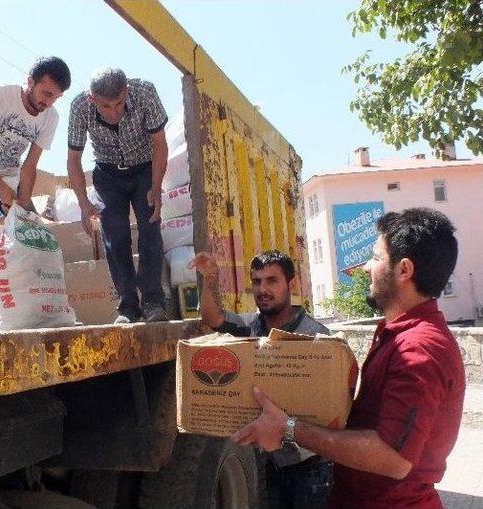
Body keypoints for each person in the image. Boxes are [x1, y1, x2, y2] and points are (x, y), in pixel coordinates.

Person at [231, 208, 465, 509]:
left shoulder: (418, 349)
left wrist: (288, 428)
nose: (367, 267)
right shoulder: (400, 335)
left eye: (376, 257)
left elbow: (392, 457)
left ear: (404, 270)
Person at [190, 249, 332, 509]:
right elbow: (212, 318)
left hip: (310, 469)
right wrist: (210, 277)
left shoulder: (316, 337)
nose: (263, 289)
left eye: (271, 281)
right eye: (257, 281)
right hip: (272, 464)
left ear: (291, 284)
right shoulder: (252, 327)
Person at [0, 57, 71, 330]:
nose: (48, 103)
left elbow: (30, 165)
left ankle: (31, 311)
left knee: (33, 238)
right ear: (30, 81)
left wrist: (23, 200)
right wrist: (0, 185)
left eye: (55, 98)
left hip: (11, 179)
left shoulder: (50, 117)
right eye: (45, 93)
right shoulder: (1, 96)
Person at [67, 68, 168, 324]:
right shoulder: (79, 108)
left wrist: (156, 188)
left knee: (150, 229)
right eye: (105, 107)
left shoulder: (145, 92)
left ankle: (153, 300)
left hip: (145, 167)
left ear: (127, 92)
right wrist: (83, 203)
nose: (114, 113)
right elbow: (74, 160)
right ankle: (128, 307)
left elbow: (159, 144)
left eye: (119, 104)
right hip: (108, 174)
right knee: (115, 236)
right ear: (92, 99)